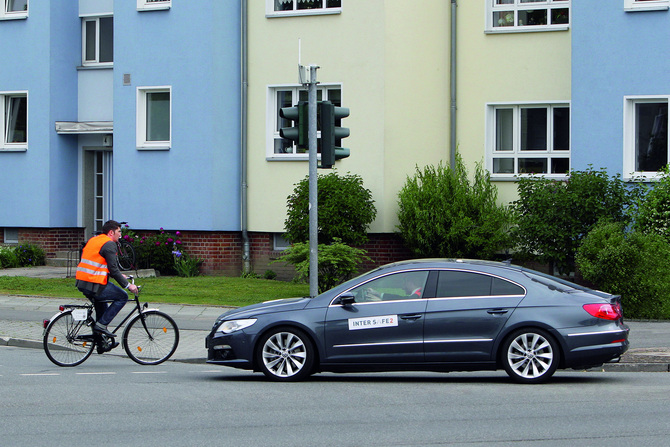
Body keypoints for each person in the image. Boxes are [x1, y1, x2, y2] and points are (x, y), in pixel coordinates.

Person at [75, 220, 139, 352]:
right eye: (119, 232)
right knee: (122, 296)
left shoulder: (95, 240)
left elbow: (98, 263)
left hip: (83, 281)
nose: (120, 235)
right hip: (94, 283)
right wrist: (128, 285)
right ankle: (101, 327)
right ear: (111, 232)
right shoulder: (109, 244)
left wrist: (120, 276)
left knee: (102, 308)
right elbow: (114, 270)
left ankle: (101, 343)